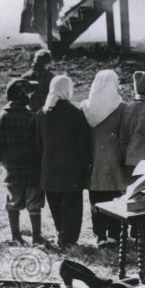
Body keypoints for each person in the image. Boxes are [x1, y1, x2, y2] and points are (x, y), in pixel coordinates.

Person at [0, 79, 45, 245]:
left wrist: (5, 160)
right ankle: (37, 237)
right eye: (28, 93)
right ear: (22, 96)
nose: (31, 96)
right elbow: (39, 143)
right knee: (34, 203)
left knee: (13, 202)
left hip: (11, 170)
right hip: (32, 169)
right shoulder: (32, 118)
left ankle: (16, 236)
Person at [36, 75, 91, 249]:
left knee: (55, 206)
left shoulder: (42, 113)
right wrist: (86, 165)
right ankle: (69, 240)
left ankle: (61, 234)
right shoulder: (75, 113)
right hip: (71, 169)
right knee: (72, 207)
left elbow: (37, 143)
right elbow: (83, 143)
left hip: (49, 169)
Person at [80, 70, 127, 246]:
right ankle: (115, 234)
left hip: (93, 159)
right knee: (115, 198)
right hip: (115, 159)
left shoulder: (85, 107)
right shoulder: (121, 107)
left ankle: (100, 235)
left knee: (96, 198)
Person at [21, 48, 54, 113]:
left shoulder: (25, 76)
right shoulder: (51, 77)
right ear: (48, 62)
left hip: (31, 111)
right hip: (47, 111)